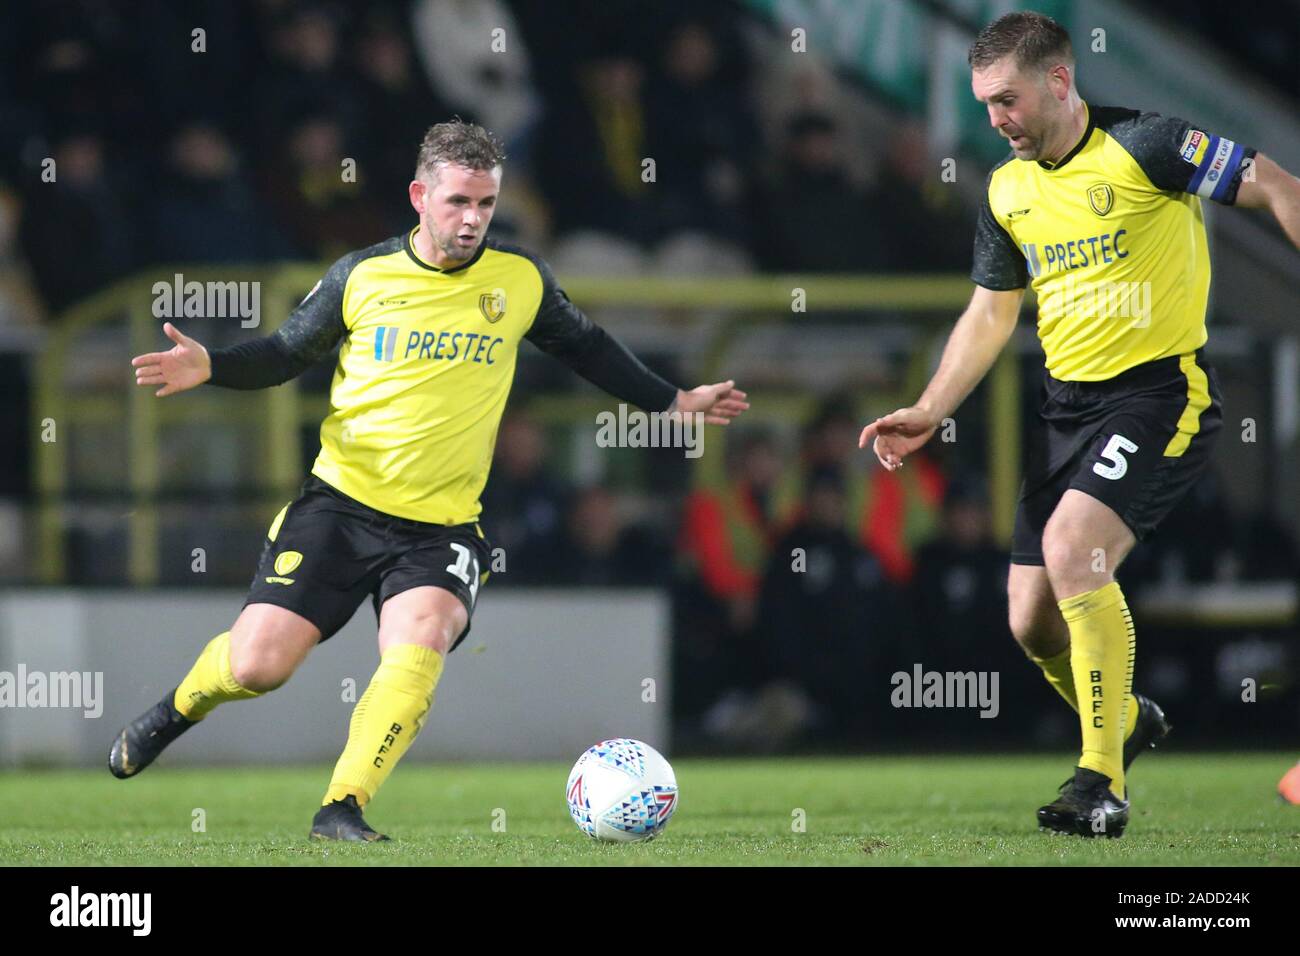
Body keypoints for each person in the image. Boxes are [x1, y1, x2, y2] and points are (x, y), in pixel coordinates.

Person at [112, 119, 749, 841]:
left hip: (441, 527)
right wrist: (214, 365)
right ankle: (176, 708)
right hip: (339, 507)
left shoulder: (519, 281)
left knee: (422, 639)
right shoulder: (362, 275)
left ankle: (341, 806)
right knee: (260, 665)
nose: (474, 218)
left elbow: (590, 349)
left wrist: (672, 400)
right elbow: (287, 351)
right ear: (421, 196)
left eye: (486, 204)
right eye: (458, 202)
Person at [859, 11, 1300, 837]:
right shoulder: (1007, 189)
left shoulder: (1149, 146)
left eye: (1007, 100)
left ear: (1060, 81)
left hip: (1160, 395)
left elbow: (1276, 183)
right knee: (1029, 618)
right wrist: (930, 407)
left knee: (1073, 552)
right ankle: (1125, 718)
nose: (995, 120)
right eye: (985, 103)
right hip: (1066, 411)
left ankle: (1101, 781)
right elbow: (991, 314)